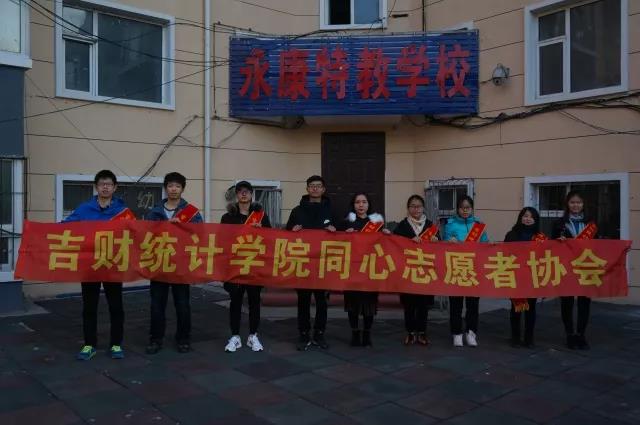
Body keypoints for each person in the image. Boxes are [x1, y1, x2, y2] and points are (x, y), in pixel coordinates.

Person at [64, 170, 132, 360]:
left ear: (115, 187)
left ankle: (116, 344)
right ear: (96, 187)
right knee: (89, 307)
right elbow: (66, 226)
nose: (105, 187)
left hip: (112, 264)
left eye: (109, 184)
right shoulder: (84, 209)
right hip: (90, 265)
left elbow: (135, 232)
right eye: (102, 184)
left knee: (116, 306)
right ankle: (89, 345)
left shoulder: (122, 211)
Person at [144, 172, 203, 354]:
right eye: (170, 186)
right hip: (159, 264)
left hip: (181, 265)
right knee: (156, 305)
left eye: (177, 186)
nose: (174, 189)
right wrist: (164, 226)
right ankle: (155, 339)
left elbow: (200, 234)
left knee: (182, 305)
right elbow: (145, 235)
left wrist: (183, 227)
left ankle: (183, 339)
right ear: (165, 188)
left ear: (182, 189)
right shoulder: (155, 211)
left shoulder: (191, 212)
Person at [286, 175, 336, 351]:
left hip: (323, 264)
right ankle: (303, 334)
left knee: (322, 302)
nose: (315, 188)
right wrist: (292, 231)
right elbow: (285, 235)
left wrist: (335, 231)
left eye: (318, 186)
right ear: (307, 189)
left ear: (323, 189)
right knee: (303, 301)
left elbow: (343, 235)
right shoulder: (297, 211)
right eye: (312, 186)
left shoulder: (332, 211)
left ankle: (320, 334)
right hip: (303, 263)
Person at [221, 181, 271, 353]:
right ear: (236, 195)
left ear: (251, 194)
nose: (244, 194)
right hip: (235, 265)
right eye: (240, 191)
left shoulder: (261, 216)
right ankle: (235, 336)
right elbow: (222, 240)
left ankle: (253, 335)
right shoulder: (227, 217)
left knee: (254, 301)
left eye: (247, 191)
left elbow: (271, 239)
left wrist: (261, 230)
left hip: (254, 265)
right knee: (235, 301)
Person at [341, 193, 390, 347]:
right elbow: (337, 243)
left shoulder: (376, 222)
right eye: (357, 202)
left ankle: (367, 334)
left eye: (364, 202)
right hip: (352, 268)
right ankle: (355, 333)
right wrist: (344, 235)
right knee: (352, 303)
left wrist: (387, 235)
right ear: (353, 205)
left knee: (369, 303)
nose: (361, 205)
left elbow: (385, 245)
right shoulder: (346, 222)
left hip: (370, 268)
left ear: (369, 204)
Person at [552, 190, 597, 350]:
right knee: (567, 302)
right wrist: (558, 241)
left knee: (584, 302)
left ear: (583, 204)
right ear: (567, 204)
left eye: (578, 202)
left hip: (586, 266)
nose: (575, 205)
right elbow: (551, 244)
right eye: (572, 202)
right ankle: (570, 334)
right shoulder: (559, 223)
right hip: (567, 267)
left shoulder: (591, 223)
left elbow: (601, 244)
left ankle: (581, 334)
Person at [444, 195, 489, 348]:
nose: (465, 210)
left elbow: (485, 245)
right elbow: (444, 244)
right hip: (456, 267)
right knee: (455, 304)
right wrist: (449, 241)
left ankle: (471, 333)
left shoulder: (478, 225)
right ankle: (456, 333)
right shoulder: (450, 224)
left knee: (473, 304)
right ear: (458, 209)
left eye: (468, 207)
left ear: (472, 209)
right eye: (462, 207)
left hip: (473, 269)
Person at [393, 195, 438, 346]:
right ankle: (410, 332)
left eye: (419, 206)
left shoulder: (431, 226)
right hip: (408, 270)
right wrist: (408, 241)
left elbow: (440, 248)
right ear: (408, 208)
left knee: (423, 305)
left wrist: (436, 241)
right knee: (409, 304)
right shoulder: (402, 225)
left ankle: (422, 332)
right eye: (413, 206)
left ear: (423, 208)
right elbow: (394, 243)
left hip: (425, 270)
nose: (416, 209)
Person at [504, 207, 543, 348]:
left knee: (530, 309)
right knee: (517, 308)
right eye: (525, 216)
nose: (528, 219)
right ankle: (515, 337)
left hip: (532, 277)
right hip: (516, 276)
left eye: (531, 217)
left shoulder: (540, 237)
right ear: (521, 217)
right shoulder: (511, 234)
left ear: (535, 220)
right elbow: (504, 253)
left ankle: (529, 338)